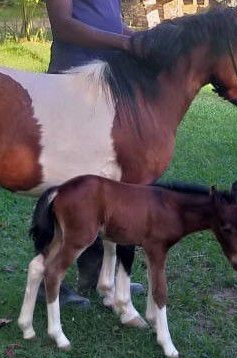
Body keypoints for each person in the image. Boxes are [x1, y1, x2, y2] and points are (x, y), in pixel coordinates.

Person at [39, 0, 144, 307]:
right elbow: (64, 25)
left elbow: (109, 25)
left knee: (102, 180)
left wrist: (138, 37)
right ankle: (48, 276)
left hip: (106, 85)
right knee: (61, 184)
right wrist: (123, 42)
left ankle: (97, 271)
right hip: (71, 85)